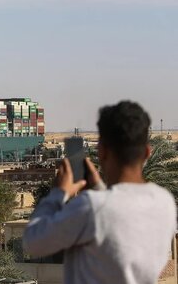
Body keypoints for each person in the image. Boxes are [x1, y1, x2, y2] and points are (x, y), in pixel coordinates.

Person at [23, 101, 176, 284]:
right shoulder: (164, 202)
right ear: (147, 152)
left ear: (102, 152)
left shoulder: (92, 206)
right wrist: (98, 188)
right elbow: (120, 215)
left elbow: (33, 242)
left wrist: (58, 193)